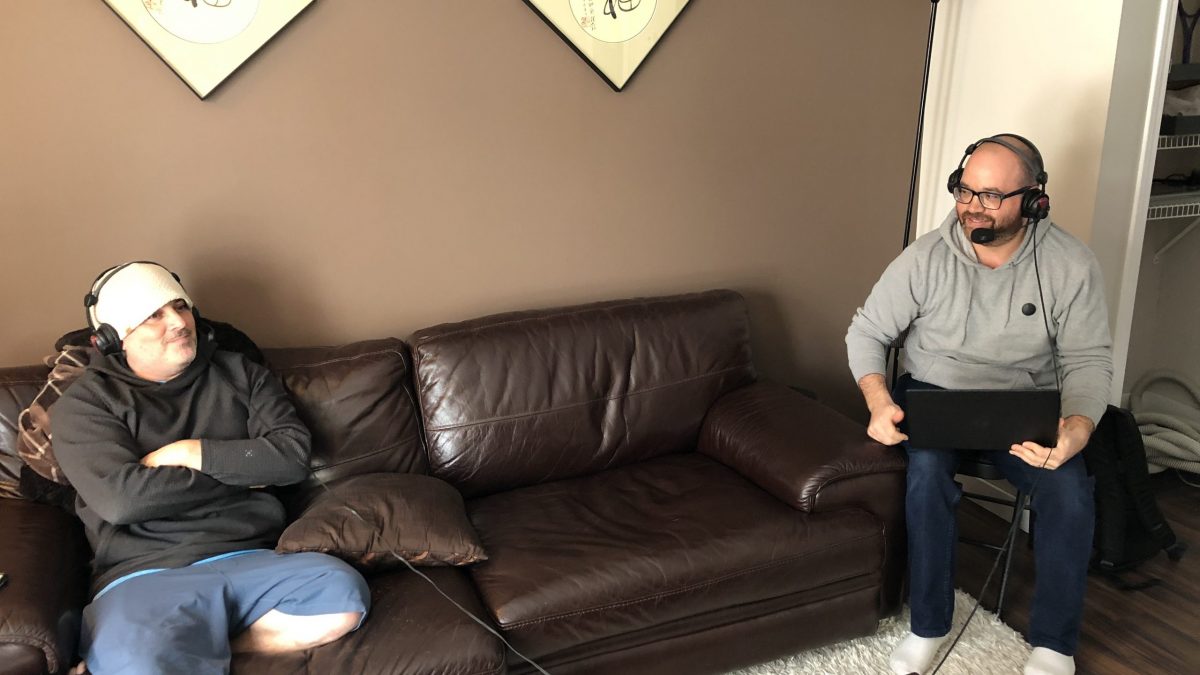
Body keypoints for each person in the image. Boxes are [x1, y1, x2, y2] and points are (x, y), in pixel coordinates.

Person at [845, 135, 1113, 675]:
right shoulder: (925, 258)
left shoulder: (1070, 265)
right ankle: (927, 627)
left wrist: (1079, 427)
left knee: (1069, 491)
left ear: (1034, 200)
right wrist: (877, 401)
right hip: (934, 396)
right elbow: (867, 332)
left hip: (1022, 406)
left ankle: (1054, 645)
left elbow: (1088, 359)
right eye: (965, 191)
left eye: (991, 196)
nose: (972, 207)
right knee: (925, 476)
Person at [52, 261, 370, 675]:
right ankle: (178, 646)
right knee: (137, 661)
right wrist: (245, 475)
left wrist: (194, 452)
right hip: (146, 572)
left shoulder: (241, 373)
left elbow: (292, 456)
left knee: (344, 596)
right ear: (114, 339)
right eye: (154, 315)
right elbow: (124, 500)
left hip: (251, 557)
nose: (178, 322)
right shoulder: (84, 405)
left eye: (180, 307)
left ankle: (205, 645)